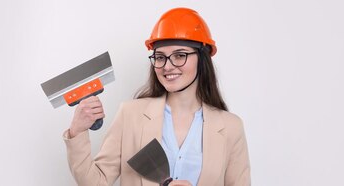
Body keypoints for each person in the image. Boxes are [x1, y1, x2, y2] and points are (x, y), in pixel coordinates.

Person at [62, 7, 250, 186]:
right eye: (160, 57)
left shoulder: (231, 127)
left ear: (202, 59)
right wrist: (77, 131)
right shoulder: (131, 115)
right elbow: (96, 182)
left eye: (180, 55)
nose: (167, 66)